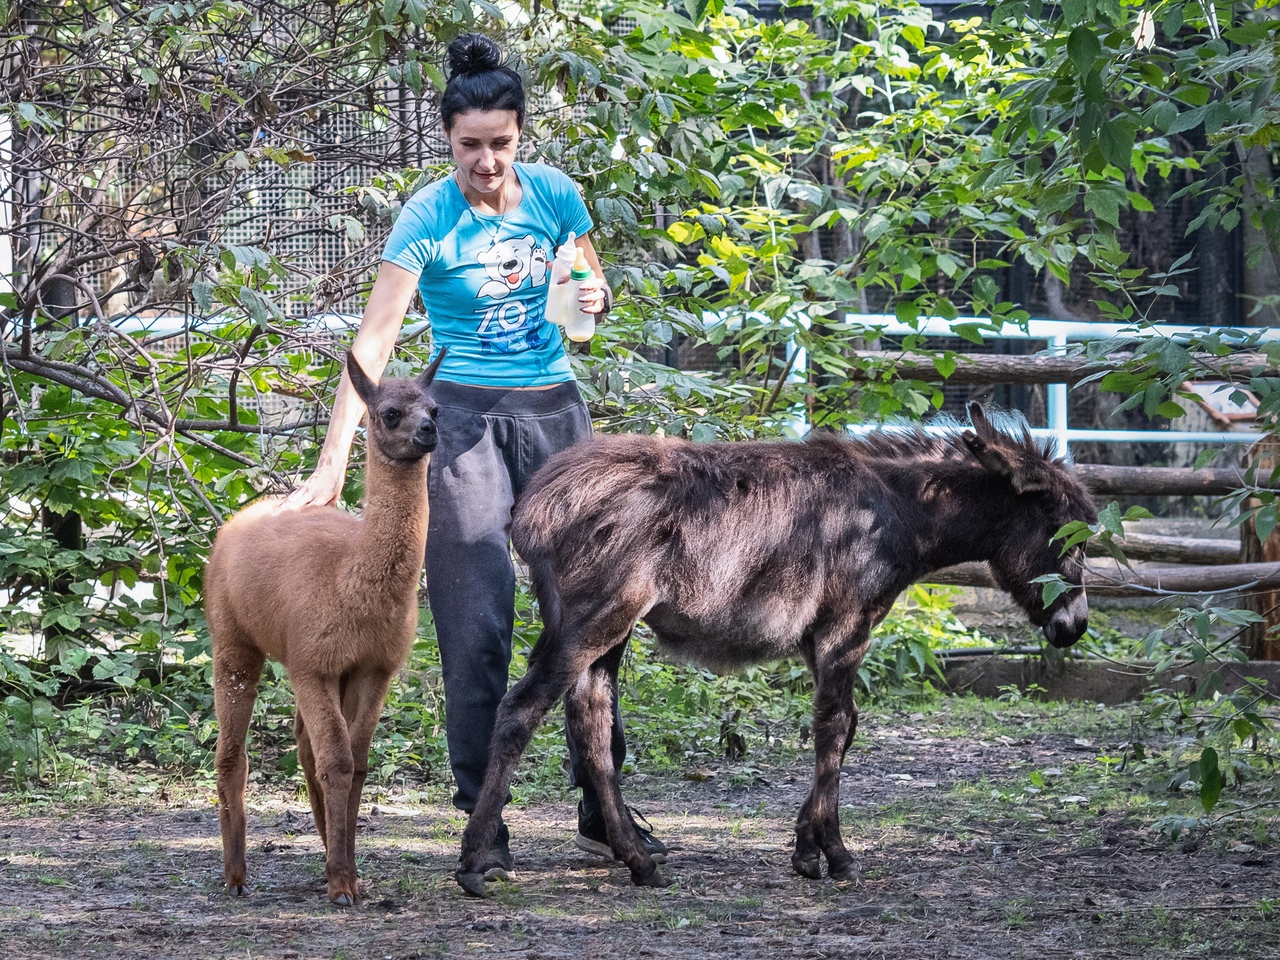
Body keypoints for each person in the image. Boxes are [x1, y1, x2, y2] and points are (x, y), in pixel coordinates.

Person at [287, 32, 668, 878]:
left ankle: (601, 805)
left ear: (520, 136)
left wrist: (596, 300)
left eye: (500, 144)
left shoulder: (559, 197)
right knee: (476, 621)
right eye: (469, 147)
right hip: (458, 428)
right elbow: (376, 340)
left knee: (594, 617)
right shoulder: (426, 215)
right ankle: (481, 813)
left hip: (556, 420)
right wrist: (333, 459)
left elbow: (583, 314)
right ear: (447, 141)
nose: (486, 162)